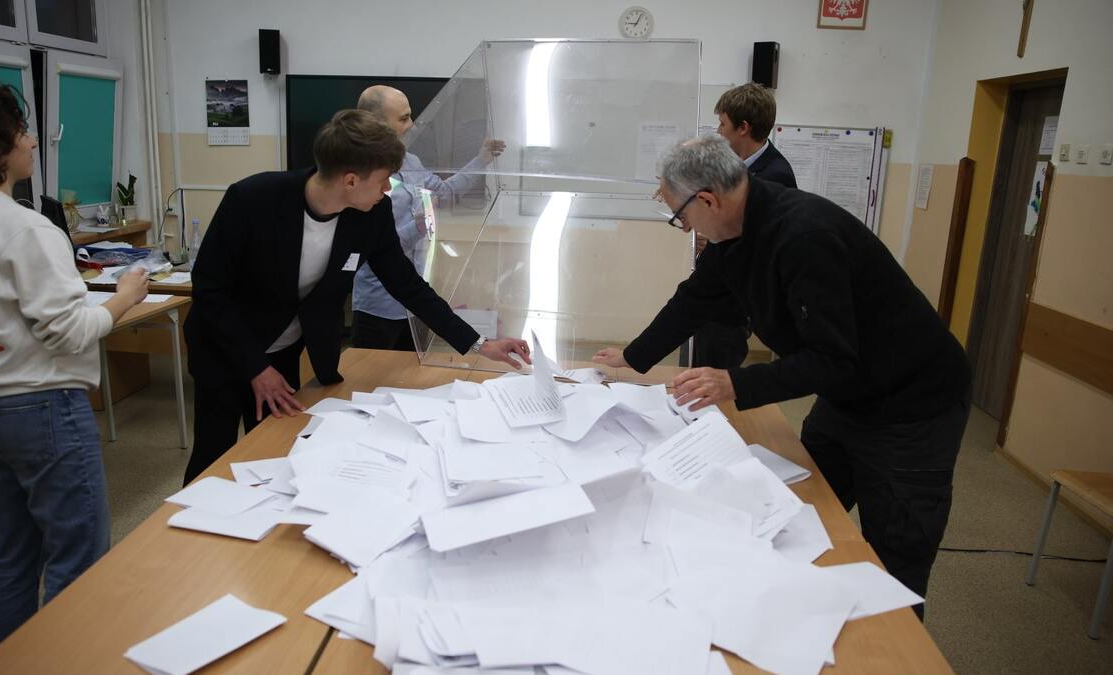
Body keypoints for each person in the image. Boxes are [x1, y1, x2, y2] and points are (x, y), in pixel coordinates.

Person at [594, 135, 970, 615]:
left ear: (708, 200)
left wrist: (735, 383)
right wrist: (635, 356)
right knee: (799, 510)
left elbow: (832, 358)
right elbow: (696, 298)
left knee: (896, 553)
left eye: (680, 217)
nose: (684, 227)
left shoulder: (804, 236)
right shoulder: (735, 231)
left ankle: (896, 646)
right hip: (848, 396)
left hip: (913, 406)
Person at [0, 77, 150, 647]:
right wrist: (124, 298)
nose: (34, 141)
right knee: (78, 555)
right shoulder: (25, 226)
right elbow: (69, 333)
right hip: (40, 409)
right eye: (22, 130)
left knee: (10, 549)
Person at [183, 109, 529, 484]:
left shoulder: (369, 215)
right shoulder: (253, 199)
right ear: (350, 180)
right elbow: (209, 288)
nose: (387, 191)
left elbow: (407, 284)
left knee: (272, 452)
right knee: (213, 455)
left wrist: (479, 344)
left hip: (283, 351)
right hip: (225, 347)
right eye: (383, 181)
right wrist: (254, 367)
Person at [351, 85, 503, 351]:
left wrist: (481, 160)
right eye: (403, 118)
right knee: (373, 371)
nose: (411, 125)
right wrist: (419, 226)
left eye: (410, 116)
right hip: (379, 305)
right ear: (376, 123)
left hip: (415, 301)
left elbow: (443, 192)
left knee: (411, 371)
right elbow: (374, 247)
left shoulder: (410, 161)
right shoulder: (358, 175)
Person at [692, 83, 798, 370]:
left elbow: (759, 246)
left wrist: (715, 240)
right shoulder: (732, 164)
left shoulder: (775, 176)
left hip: (733, 305)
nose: (718, 131)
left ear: (743, 128)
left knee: (714, 373)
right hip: (715, 291)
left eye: (723, 124)